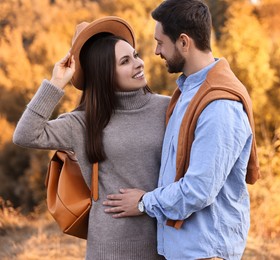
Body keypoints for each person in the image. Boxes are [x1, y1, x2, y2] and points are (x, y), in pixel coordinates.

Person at [104, 0, 260, 259]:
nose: (156, 51)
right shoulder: (188, 92)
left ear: (184, 42)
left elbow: (198, 190)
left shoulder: (219, 106)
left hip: (205, 253)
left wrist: (144, 202)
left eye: (161, 42)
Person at [13, 16, 169, 259]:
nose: (139, 64)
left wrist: (147, 201)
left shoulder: (168, 108)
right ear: (104, 74)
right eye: (125, 61)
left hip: (165, 244)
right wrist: (56, 83)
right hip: (109, 249)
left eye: (136, 55)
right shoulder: (83, 122)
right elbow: (25, 134)